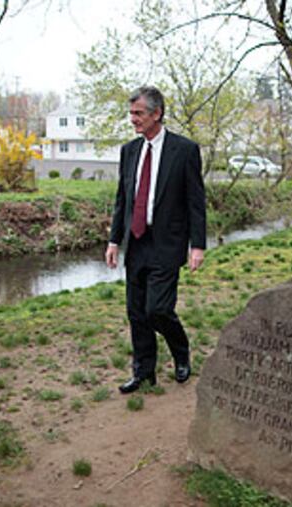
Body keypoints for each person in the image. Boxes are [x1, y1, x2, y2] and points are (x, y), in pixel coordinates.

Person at [105, 86, 206, 394]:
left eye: (139, 113)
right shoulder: (129, 151)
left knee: (157, 309)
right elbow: (123, 199)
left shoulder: (184, 150)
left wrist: (197, 245)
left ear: (157, 113)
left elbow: (195, 202)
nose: (133, 119)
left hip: (167, 243)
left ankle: (180, 351)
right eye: (131, 113)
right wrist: (113, 241)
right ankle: (143, 372)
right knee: (136, 312)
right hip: (136, 242)